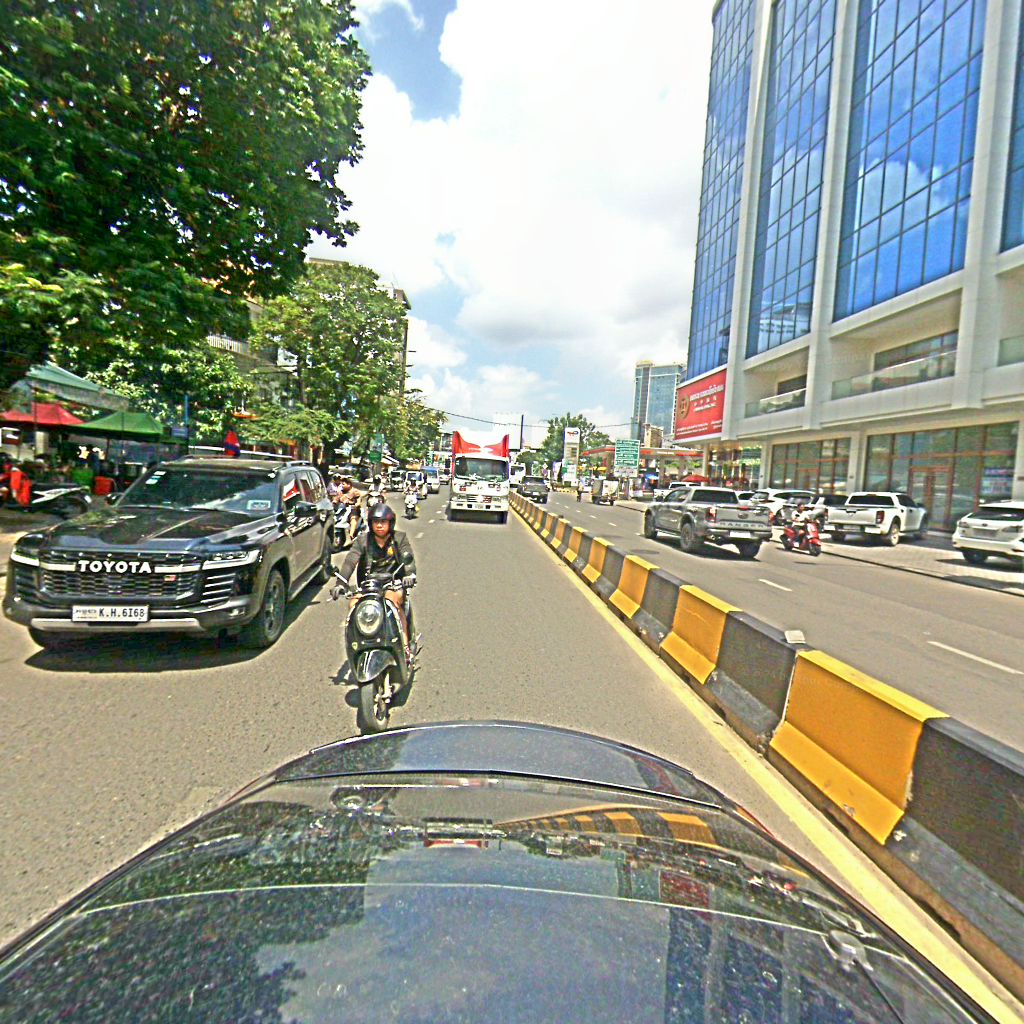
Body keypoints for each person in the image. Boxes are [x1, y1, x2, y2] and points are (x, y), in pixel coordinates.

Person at [335, 503, 417, 650]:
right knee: (353, 604)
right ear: (370, 523)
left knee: (392, 602)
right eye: (376, 522)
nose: (379, 525)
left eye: (383, 522)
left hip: (393, 584)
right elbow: (350, 561)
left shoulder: (399, 538)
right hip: (369, 585)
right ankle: (356, 644)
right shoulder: (362, 540)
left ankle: (405, 647)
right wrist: (340, 583)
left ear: (390, 523)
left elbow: (408, 557)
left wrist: (409, 575)